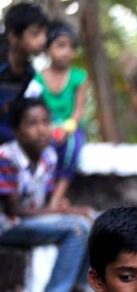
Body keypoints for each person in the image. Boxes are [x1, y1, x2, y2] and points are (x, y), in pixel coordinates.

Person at [0, 97, 93, 292]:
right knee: (76, 228)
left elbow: (46, 200)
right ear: (17, 130)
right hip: (9, 225)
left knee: (96, 221)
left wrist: (66, 208)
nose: (41, 129)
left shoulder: (48, 156)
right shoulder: (6, 158)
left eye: (45, 121)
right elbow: (14, 210)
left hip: (33, 220)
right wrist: (63, 212)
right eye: (32, 123)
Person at [33, 19, 89, 208]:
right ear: (48, 48)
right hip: (46, 125)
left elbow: (79, 109)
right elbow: (36, 108)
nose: (67, 52)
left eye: (71, 47)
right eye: (61, 46)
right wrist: (48, 128)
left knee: (71, 147)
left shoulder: (78, 77)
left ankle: (56, 199)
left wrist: (68, 127)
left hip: (70, 127)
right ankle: (45, 196)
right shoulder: (37, 79)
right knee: (42, 148)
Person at [0, 2, 48, 144]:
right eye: (35, 33)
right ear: (13, 36)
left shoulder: (29, 73)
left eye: (44, 33)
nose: (43, 40)